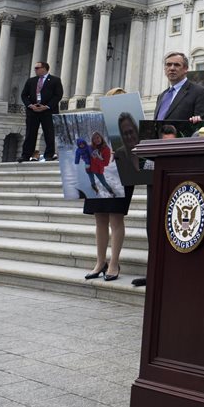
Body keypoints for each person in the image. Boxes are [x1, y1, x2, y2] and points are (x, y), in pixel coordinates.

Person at [83, 88, 133, 285]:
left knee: (116, 220)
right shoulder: (96, 125)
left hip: (121, 174)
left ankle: (114, 263)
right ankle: (100, 262)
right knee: (99, 220)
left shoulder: (129, 123)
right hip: (99, 175)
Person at [20, 61, 62, 162]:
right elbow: (24, 95)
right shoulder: (31, 81)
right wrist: (30, 105)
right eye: (35, 68)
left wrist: (47, 106)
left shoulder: (55, 80)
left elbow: (58, 95)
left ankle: (49, 155)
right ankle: (26, 155)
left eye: (37, 68)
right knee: (30, 134)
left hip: (48, 111)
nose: (35, 69)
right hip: (33, 111)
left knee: (49, 133)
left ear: (44, 68)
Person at [153, 52, 204, 122]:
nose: (172, 68)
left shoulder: (200, 92)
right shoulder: (161, 96)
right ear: (164, 69)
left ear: (186, 69)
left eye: (177, 65)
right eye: (168, 65)